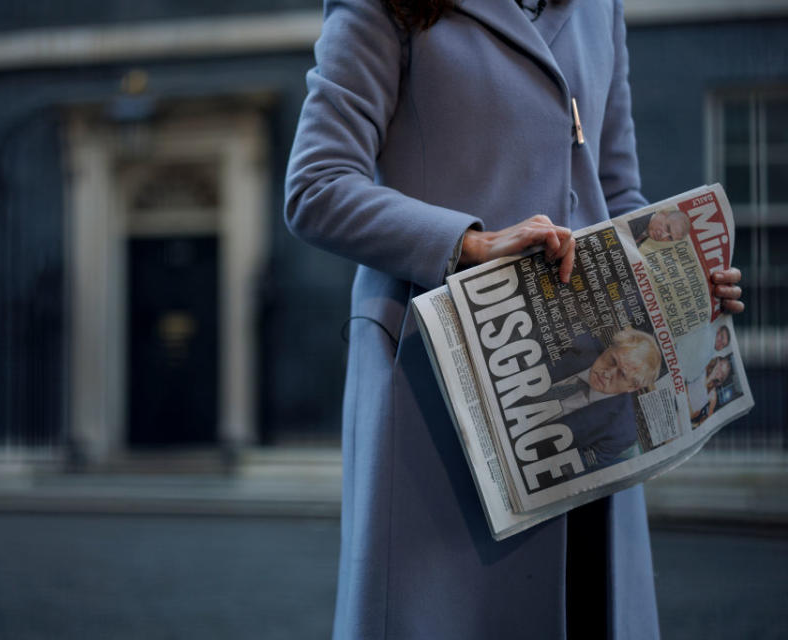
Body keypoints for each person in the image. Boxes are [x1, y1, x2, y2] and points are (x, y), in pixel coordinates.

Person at [284, 1, 744, 638]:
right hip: (440, 396)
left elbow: (617, 190)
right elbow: (315, 185)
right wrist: (470, 244)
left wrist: (683, 278)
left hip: (596, 406)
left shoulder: (598, 9)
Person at [539, 328, 661, 471]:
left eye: (622, 374)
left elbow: (567, 467)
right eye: (612, 360)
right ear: (609, 348)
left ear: (632, 388)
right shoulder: (576, 339)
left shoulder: (621, 433)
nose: (607, 373)